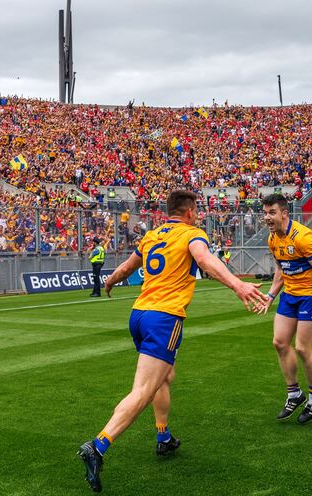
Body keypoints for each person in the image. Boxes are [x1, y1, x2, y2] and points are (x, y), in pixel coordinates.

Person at [77, 190, 266, 493]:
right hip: (164, 318)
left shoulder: (152, 235)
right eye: (197, 211)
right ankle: (98, 445)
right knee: (143, 390)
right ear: (189, 211)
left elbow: (127, 268)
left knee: (165, 375)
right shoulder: (192, 233)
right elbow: (205, 261)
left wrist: (109, 281)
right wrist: (237, 285)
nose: (198, 215)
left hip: (138, 315)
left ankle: (163, 437)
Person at [258, 194, 312, 425]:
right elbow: (281, 271)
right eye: (265, 213)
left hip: (311, 295)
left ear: (284, 213)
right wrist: (270, 295)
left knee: (302, 348)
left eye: (272, 213)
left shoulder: (303, 237)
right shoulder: (272, 239)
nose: (267, 217)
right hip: (290, 295)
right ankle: (294, 394)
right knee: (279, 342)